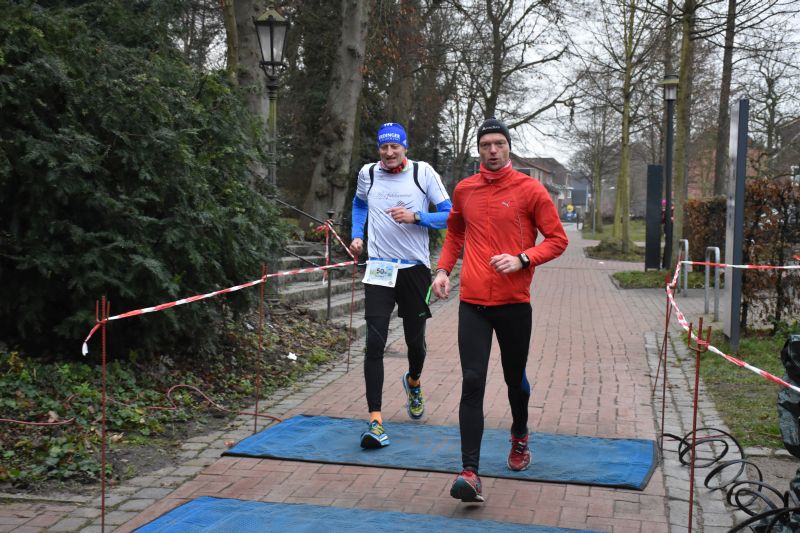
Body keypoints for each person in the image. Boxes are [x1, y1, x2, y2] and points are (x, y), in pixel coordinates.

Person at [431, 117, 568, 502]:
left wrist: (523, 258)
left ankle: (519, 434)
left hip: (513, 304)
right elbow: (455, 232)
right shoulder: (465, 189)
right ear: (479, 150)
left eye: (499, 144)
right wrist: (442, 270)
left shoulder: (531, 190)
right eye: (486, 145)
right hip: (472, 303)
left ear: (509, 147)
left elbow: (557, 239)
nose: (493, 150)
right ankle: (469, 472)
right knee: (472, 380)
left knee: (513, 379)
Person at [350, 122, 452, 449]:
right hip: (380, 268)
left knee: (415, 343)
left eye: (395, 146)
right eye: (384, 147)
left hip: (414, 269)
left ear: (405, 147)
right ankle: (375, 421)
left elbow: (451, 215)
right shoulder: (368, 173)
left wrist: (417, 217)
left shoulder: (423, 173)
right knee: (374, 343)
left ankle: (414, 380)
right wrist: (357, 234)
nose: (389, 152)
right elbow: (359, 204)